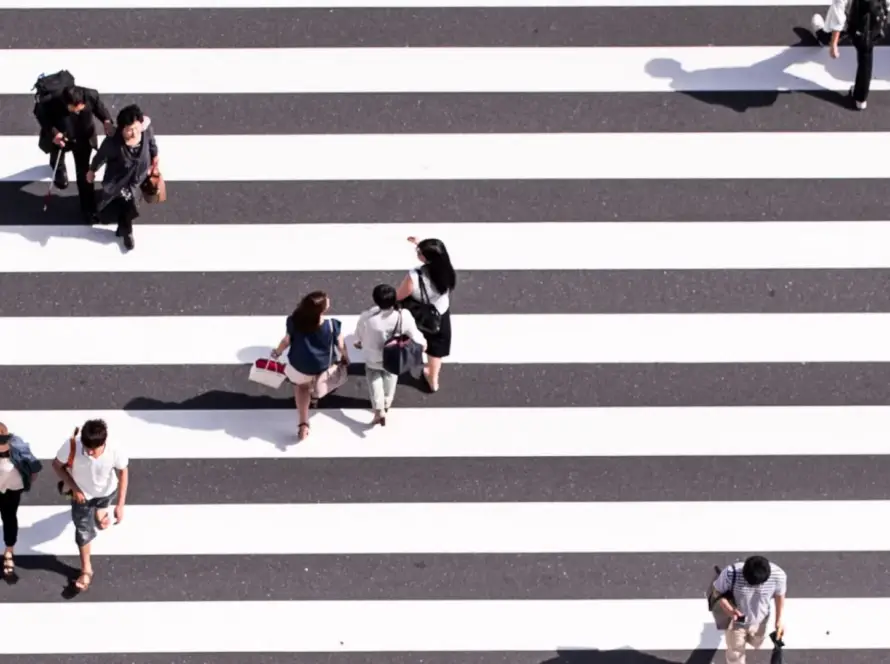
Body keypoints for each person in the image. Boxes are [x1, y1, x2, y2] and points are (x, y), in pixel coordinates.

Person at [51, 419, 129, 592]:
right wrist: (75, 489)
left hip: (107, 492)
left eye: (94, 450)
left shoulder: (114, 449)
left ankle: (101, 513)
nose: (90, 453)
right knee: (83, 531)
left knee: (102, 507)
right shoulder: (73, 445)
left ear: (104, 442)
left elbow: (123, 472)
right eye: (87, 449)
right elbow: (56, 465)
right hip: (82, 497)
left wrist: (120, 505)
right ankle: (86, 569)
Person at [271, 291, 349, 441]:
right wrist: (346, 358)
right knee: (322, 380)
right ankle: (316, 395)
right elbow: (340, 345)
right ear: (322, 310)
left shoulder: (294, 321)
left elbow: (287, 341)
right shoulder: (332, 325)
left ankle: (303, 424)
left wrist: (277, 353)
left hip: (299, 364)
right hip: (322, 365)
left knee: (302, 387)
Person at [34, 84, 114, 221]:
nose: (78, 110)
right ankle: (58, 167)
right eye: (73, 108)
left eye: (80, 107)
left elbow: (100, 109)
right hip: (62, 135)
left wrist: (106, 120)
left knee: (83, 172)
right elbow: (40, 114)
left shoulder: (90, 94)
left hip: (83, 138)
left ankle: (87, 207)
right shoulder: (52, 101)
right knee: (57, 155)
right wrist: (54, 133)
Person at [86, 104, 159, 251]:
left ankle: (123, 229)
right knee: (126, 205)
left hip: (137, 179)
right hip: (118, 181)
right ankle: (127, 232)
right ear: (121, 129)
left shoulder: (146, 131)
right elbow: (100, 157)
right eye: (129, 130)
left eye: (136, 128)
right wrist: (92, 170)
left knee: (128, 204)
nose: (133, 133)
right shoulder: (113, 143)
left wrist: (155, 157)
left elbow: (151, 144)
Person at [354, 284, 426, 426]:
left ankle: (379, 409)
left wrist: (358, 342)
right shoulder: (403, 316)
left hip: (373, 357)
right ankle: (387, 401)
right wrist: (423, 344)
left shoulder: (367, 317)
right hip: (394, 356)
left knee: (374, 378)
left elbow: (358, 337)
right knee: (391, 375)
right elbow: (415, 335)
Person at [395, 237, 457, 393]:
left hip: (417, 314)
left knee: (410, 338)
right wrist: (420, 244)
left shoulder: (415, 276)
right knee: (436, 348)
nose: (417, 253)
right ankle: (433, 379)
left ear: (425, 258)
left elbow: (400, 296)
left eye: (419, 252)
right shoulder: (447, 272)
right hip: (439, 313)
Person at [712, 555, 786, 664]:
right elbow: (716, 591)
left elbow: (780, 595)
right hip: (736, 621)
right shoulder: (730, 573)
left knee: (757, 642)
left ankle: (749, 638)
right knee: (735, 653)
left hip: (761, 619)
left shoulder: (778, 576)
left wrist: (779, 619)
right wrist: (727, 607)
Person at [823, 0, 888, 110]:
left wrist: (834, 43)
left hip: (855, 27)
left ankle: (824, 36)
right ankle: (860, 98)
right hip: (873, 28)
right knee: (866, 58)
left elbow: (838, 15)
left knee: (838, 24)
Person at [0, 422, 42, 579]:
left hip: (12, 489)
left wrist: (29, 477)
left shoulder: (17, 446)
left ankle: (9, 550)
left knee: (9, 517)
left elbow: (34, 466)